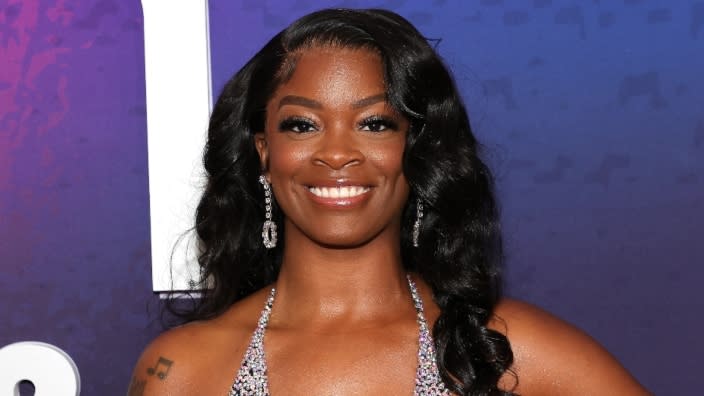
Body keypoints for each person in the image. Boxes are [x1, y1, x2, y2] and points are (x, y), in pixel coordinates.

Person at [129, 8, 649, 396]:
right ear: (265, 152)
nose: (336, 153)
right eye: (301, 124)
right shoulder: (184, 369)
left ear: (416, 148)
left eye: (375, 123)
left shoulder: (505, 353)